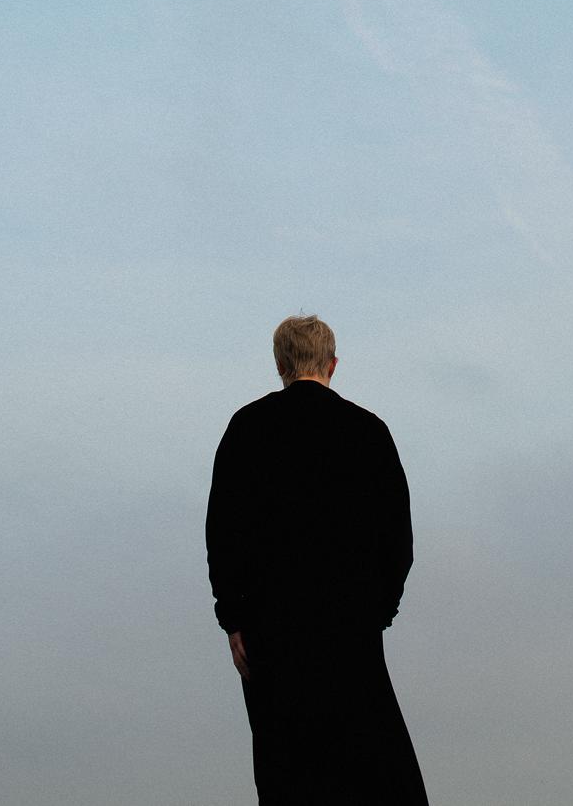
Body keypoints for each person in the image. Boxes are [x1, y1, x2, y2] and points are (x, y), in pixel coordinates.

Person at [205, 314, 429, 806]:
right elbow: (398, 538)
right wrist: (379, 611)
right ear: (333, 364)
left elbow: (223, 531)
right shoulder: (368, 432)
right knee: (371, 768)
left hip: (270, 630)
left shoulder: (247, 428)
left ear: (279, 364)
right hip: (350, 627)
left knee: (285, 770)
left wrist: (233, 618)